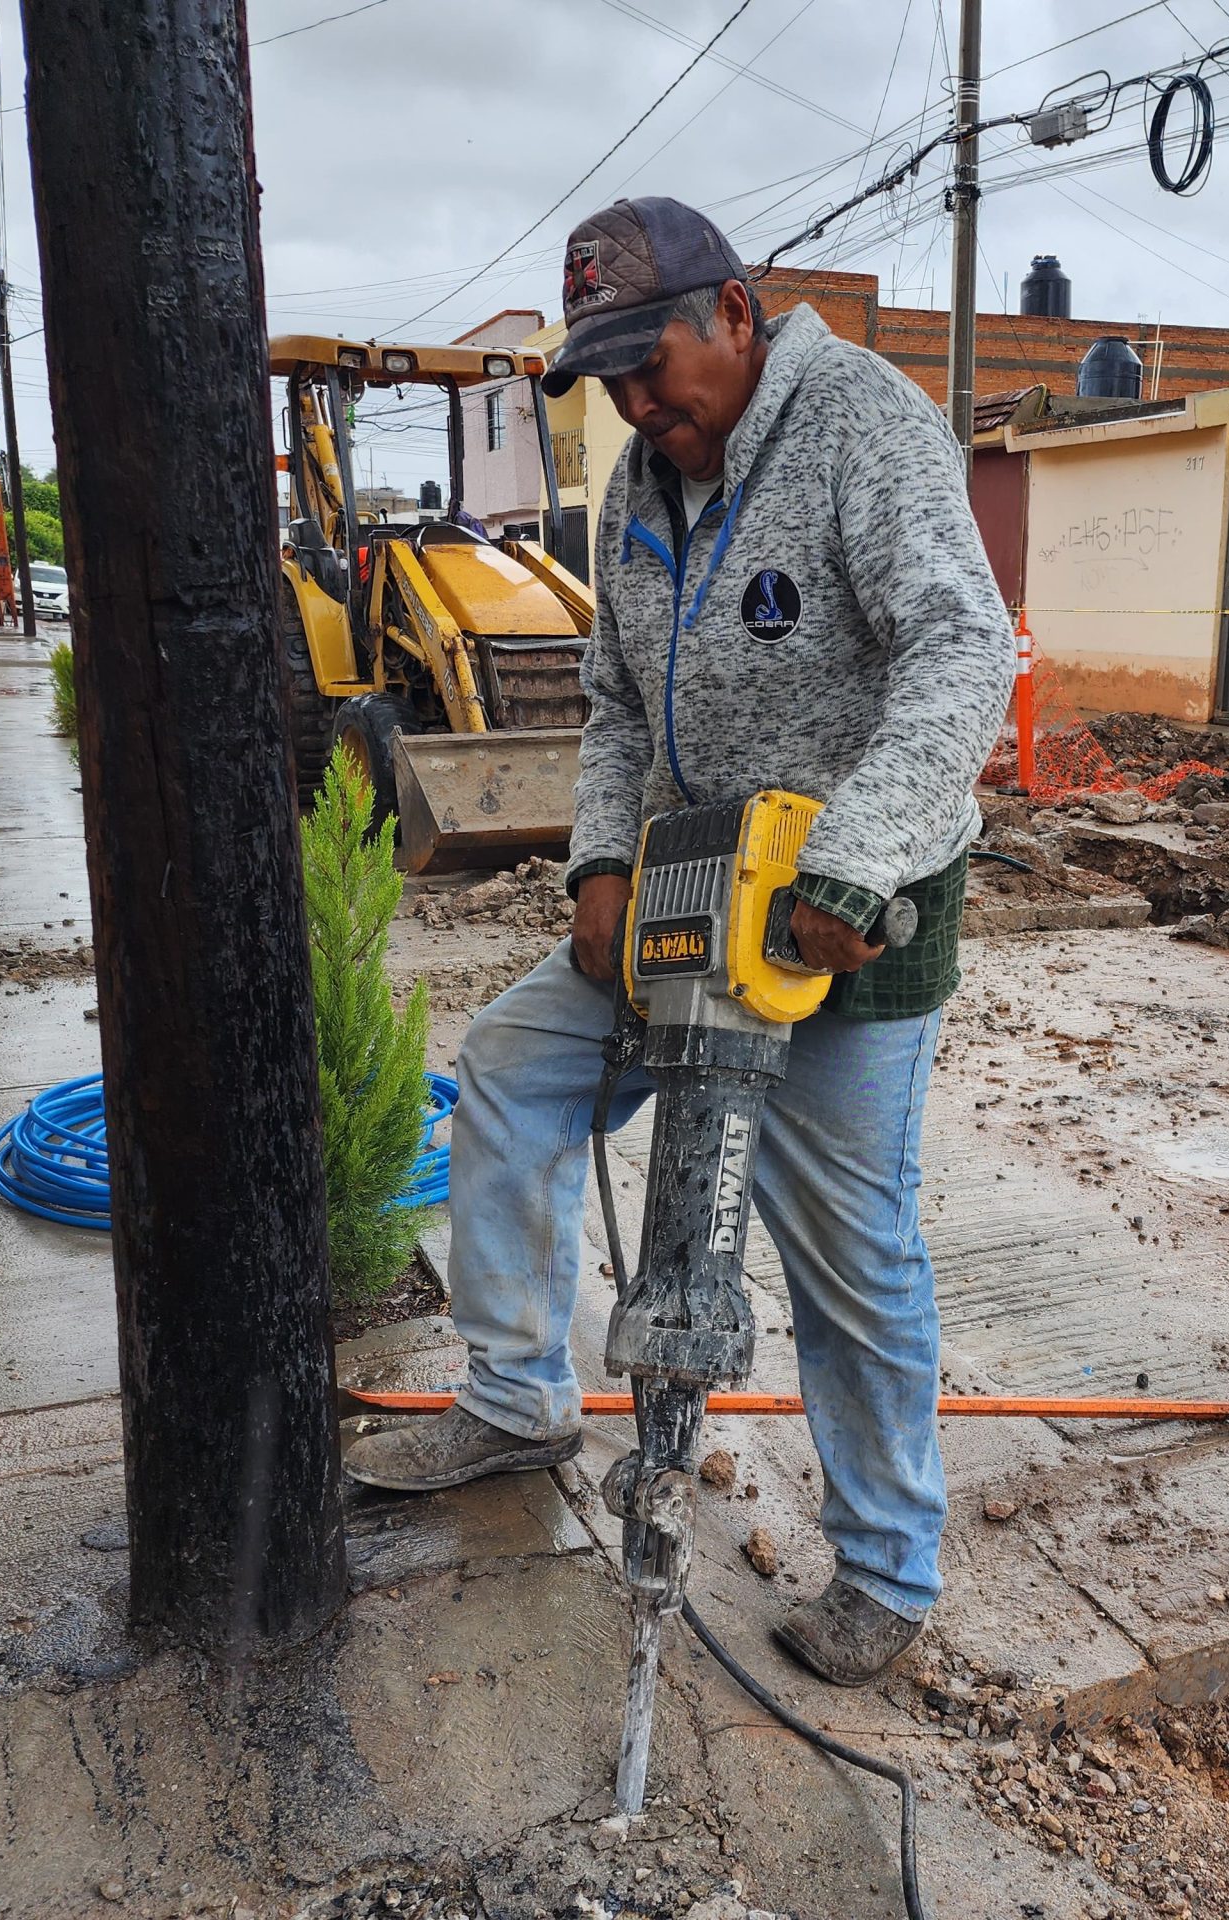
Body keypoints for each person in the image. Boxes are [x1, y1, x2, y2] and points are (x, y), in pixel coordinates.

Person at [342, 198, 1014, 1687]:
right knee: (516, 1063)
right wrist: (597, 861)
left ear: (738, 314)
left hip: (851, 912)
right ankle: (519, 1402)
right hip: (688, 885)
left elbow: (964, 654)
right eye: (613, 378)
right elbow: (616, 705)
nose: (642, 402)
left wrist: (852, 856)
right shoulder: (637, 486)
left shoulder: (863, 426)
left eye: (657, 364)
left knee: (838, 1235)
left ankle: (890, 1572)